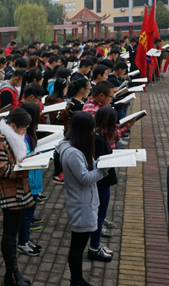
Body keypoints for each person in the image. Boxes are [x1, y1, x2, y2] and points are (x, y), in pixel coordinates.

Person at [0, 108, 33, 286]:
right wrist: (24, 169)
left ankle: (13, 273)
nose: (25, 132)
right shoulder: (0, 141)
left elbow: (15, 161)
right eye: (24, 128)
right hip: (9, 191)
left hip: (17, 189)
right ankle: (11, 274)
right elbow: (2, 169)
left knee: (13, 232)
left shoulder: (11, 137)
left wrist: (31, 159)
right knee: (10, 233)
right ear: (12, 126)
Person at [56, 111, 108, 286]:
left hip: (82, 201)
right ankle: (76, 281)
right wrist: (103, 170)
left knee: (77, 245)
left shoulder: (73, 145)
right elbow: (84, 178)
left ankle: (77, 280)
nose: (93, 132)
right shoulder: (73, 153)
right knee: (77, 247)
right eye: (91, 129)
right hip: (81, 204)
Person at [88, 107, 117, 263]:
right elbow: (101, 163)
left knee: (100, 215)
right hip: (101, 183)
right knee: (99, 217)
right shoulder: (98, 139)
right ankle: (94, 247)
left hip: (101, 182)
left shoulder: (98, 136)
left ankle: (97, 243)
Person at [16, 102, 44, 257]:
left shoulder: (29, 133)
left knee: (29, 212)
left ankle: (25, 239)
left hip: (34, 177)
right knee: (26, 214)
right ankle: (23, 242)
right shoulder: (23, 136)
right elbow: (22, 159)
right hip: (29, 180)